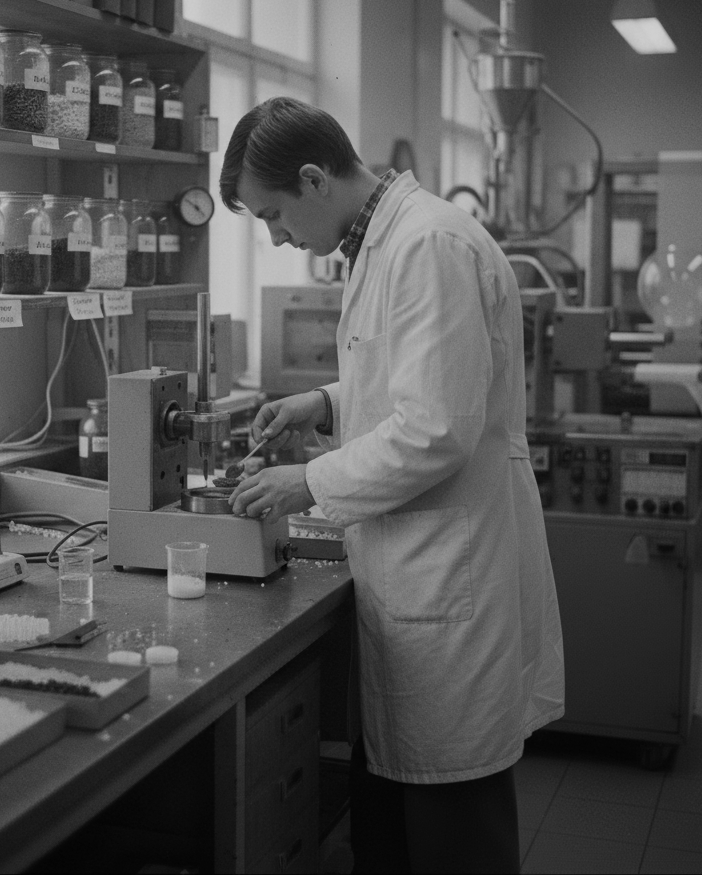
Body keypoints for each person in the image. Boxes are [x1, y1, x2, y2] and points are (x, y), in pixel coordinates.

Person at [220, 97, 564, 874]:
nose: (275, 237)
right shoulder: (385, 241)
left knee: (454, 828)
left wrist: (303, 482)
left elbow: (436, 428)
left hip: (451, 571)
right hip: (419, 565)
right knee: (401, 822)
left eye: (273, 214)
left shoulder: (427, 244)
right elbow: (411, 385)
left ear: (313, 179)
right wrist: (327, 402)